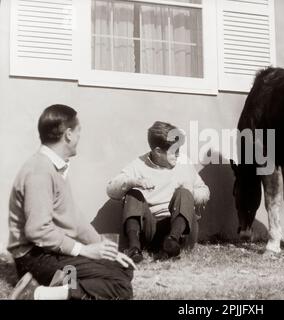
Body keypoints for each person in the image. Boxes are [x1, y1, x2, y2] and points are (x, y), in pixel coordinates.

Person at [8, 104, 136, 300]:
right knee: (120, 287)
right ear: (68, 134)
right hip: (34, 256)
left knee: (123, 268)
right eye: (78, 132)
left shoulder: (55, 167)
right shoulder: (40, 171)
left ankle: (54, 284)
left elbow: (74, 219)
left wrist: (103, 247)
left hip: (49, 251)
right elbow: (38, 231)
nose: (79, 138)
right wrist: (84, 250)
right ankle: (35, 294)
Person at [107, 121, 210, 263]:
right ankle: (134, 248)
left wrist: (191, 192)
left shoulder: (184, 163)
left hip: (181, 231)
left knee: (184, 192)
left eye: (179, 149)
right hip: (151, 231)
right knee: (133, 194)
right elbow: (111, 190)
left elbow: (205, 191)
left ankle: (172, 241)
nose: (178, 155)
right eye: (174, 151)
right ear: (157, 152)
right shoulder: (139, 164)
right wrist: (133, 181)